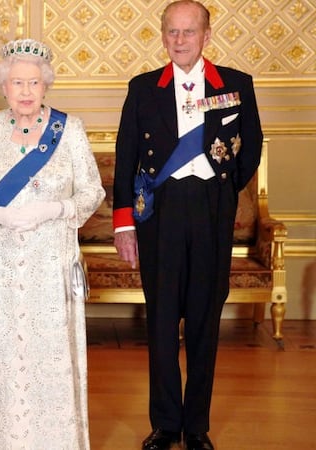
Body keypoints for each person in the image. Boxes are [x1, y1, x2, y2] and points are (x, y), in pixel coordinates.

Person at [112, 2, 263, 449]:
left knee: (204, 319)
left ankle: (196, 426)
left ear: (206, 35)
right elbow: (125, 160)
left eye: (188, 32)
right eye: (172, 32)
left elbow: (250, 147)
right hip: (160, 212)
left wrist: (223, 191)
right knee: (160, 322)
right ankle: (165, 424)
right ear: (163, 36)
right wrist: (124, 224)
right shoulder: (143, 89)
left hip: (211, 211)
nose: (180, 40)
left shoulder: (235, 85)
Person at [0, 38, 105, 449]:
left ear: (46, 87)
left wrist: (55, 210)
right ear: (3, 86)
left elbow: (93, 191)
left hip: (51, 258)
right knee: (2, 348)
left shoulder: (68, 129)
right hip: (1, 259)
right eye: (17, 82)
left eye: (34, 83)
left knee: (49, 349)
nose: (25, 91)